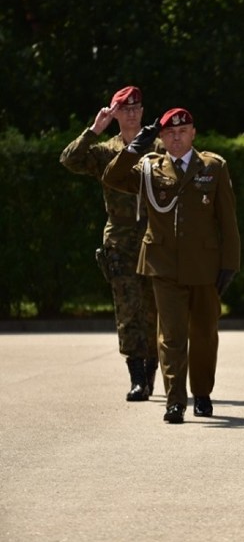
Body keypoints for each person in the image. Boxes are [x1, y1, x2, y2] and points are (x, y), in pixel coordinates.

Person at [102, 108, 241, 423]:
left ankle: (202, 394)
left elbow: (227, 222)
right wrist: (136, 146)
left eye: (183, 131)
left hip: (205, 266)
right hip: (163, 265)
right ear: (161, 138)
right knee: (171, 336)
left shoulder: (213, 167)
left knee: (205, 333)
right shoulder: (149, 169)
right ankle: (175, 401)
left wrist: (230, 264)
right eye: (170, 133)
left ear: (193, 133)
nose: (177, 137)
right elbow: (112, 177)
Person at [59, 86, 162, 402]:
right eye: (124, 109)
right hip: (119, 242)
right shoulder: (104, 151)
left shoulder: (158, 147)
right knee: (128, 309)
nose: (131, 114)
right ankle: (136, 378)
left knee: (154, 311)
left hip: (155, 241)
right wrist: (94, 129)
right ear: (115, 113)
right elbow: (69, 159)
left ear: (142, 111)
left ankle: (151, 371)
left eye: (136, 108)